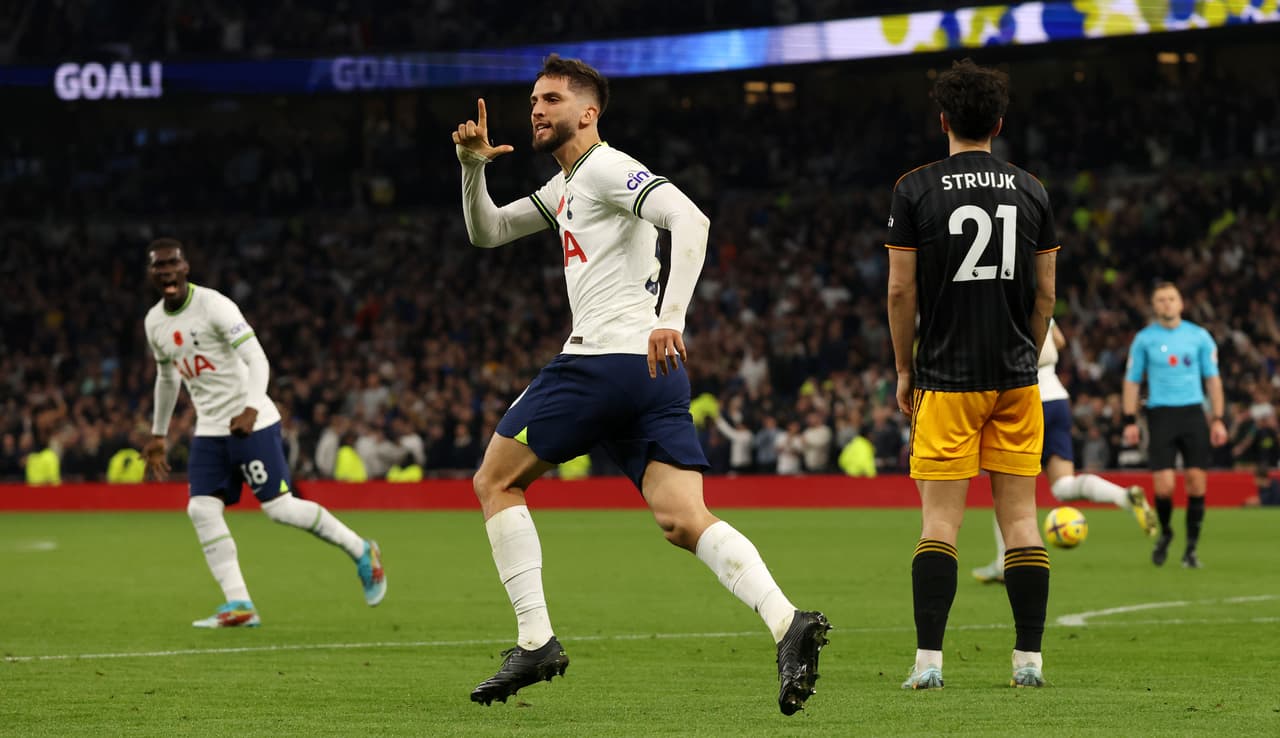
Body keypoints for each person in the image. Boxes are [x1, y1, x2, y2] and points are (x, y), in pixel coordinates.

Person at [452, 55, 829, 715]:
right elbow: (489, 232)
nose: (536, 109)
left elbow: (692, 220)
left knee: (495, 481)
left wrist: (670, 319)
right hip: (651, 378)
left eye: (552, 99)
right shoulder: (567, 186)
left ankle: (536, 639)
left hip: (604, 360)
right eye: (534, 100)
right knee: (683, 519)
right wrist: (472, 166)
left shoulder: (603, 166)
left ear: (588, 112)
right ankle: (787, 621)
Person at [886, 59, 1057, 690]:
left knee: (940, 525)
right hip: (1016, 377)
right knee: (1020, 522)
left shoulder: (915, 188)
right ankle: (1029, 663)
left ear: (943, 120)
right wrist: (1027, 353)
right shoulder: (1033, 189)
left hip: (947, 378)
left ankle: (929, 664)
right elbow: (1045, 296)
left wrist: (905, 367)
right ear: (1000, 122)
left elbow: (901, 292)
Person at [141, 238, 386, 628]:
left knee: (280, 510)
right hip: (209, 430)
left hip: (250, 422)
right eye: (159, 266)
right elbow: (167, 378)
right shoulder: (155, 322)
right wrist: (158, 433)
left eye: (173, 263)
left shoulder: (215, 306)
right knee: (200, 508)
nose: (166, 271)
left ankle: (361, 550)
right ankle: (239, 604)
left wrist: (252, 407)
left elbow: (257, 358)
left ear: (185, 267)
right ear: (151, 273)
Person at [972, 320, 1157, 583]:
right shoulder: (1037, 300)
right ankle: (1125, 497)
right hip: (1057, 398)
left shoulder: (999, 305)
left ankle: (1004, 562)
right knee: (1063, 485)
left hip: (1025, 399)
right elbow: (1058, 341)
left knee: (1006, 487)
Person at [1121, 282, 1229, 569]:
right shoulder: (1144, 339)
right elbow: (1132, 380)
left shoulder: (1199, 337)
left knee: (1196, 483)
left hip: (1193, 413)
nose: (1167, 304)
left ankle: (1191, 549)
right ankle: (1166, 533)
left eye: (1171, 299)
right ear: (1154, 306)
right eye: (1161, 300)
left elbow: (1213, 380)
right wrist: (1130, 420)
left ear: (1181, 303)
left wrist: (1218, 418)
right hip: (1161, 415)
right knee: (1165, 487)